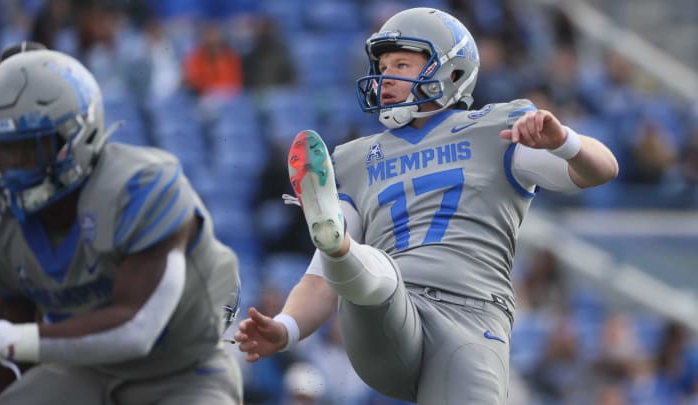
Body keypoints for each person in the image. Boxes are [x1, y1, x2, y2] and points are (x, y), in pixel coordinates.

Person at [235, 7, 619, 404]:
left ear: (452, 72)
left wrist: (564, 142)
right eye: (382, 67)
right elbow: (319, 279)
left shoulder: (498, 128)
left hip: (469, 317)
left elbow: (602, 169)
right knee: (378, 273)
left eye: (401, 64)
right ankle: (342, 247)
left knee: (374, 270)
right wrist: (286, 328)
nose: (385, 78)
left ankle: (347, 250)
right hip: (387, 316)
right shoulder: (354, 158)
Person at [0, 47, 242, 404]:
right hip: (84, 370)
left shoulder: (140, 188)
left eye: (26, 152)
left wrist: (7, 338)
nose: (11, 173)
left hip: (180, 371)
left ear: (75, 136)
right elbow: (11, 349)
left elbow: (137, 330)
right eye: (2, 156)